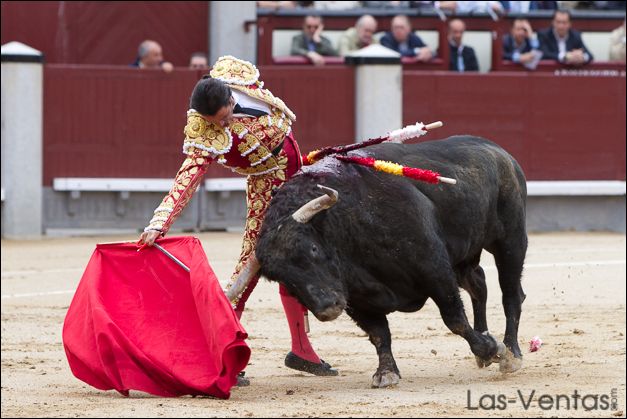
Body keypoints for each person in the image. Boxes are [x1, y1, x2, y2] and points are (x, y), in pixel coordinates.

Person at [138, 56, 338, 385]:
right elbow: (186, 179)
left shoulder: (237, 77)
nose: (223, 124)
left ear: (231, 98)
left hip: (296, 179)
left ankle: (301, 350)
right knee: (252, 264)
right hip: (268, 189)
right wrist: (160, 223)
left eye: (225, 116)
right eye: (215, 121)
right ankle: (224, 354)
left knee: (295, 258)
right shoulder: (204, 132)